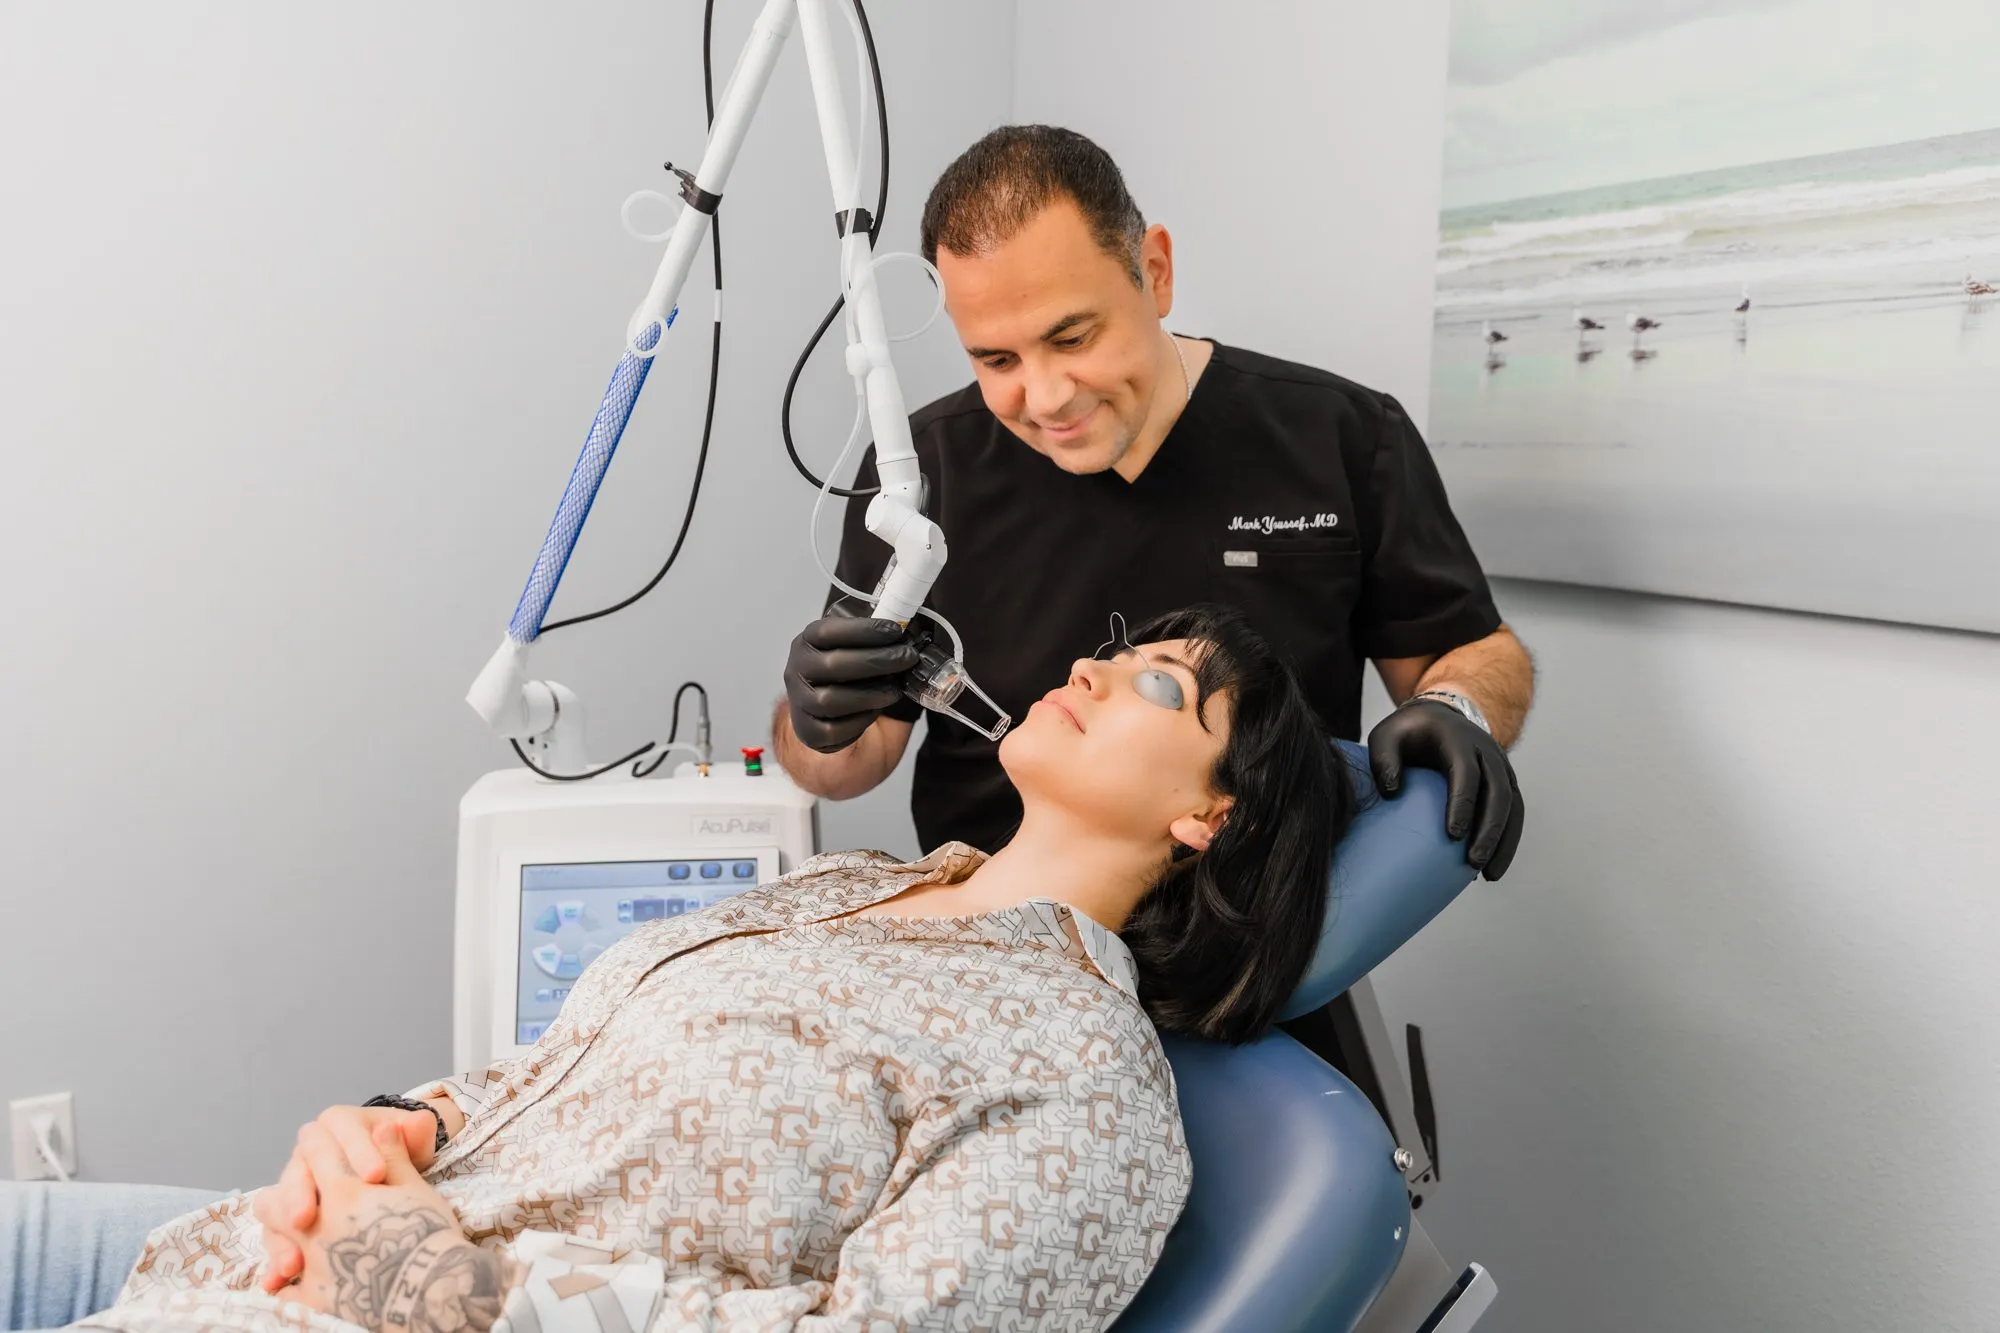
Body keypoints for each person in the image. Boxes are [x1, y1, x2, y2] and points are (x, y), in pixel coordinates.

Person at [16, 606, 1352, 1333]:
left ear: (1209, 815)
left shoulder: (1082, 1080)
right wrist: (400, 1122)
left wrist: (454, 1296)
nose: (1092, 670)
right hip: (284, 1238)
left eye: (1160, 686)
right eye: (1111, 650)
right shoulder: (855, 884)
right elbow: (569, 1073)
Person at [778, 124, 1532, 878]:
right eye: (997, 359)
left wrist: (1454, 707)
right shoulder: (922, 469)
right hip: (999, 930)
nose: (1046, 397)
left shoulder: (1342, 436)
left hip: (1263, 927)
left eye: (1072, 339)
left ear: (1156, 272)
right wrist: (817, 724)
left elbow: (1468, 648)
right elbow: (845, 766)